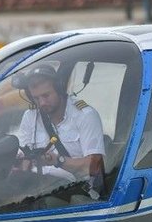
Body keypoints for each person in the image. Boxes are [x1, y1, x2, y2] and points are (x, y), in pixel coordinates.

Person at [15, 64, 105, 196]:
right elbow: (24, 160)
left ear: (60, 88)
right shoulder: (30, 116)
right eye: (36, 98)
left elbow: (94, 166)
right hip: (36, 188)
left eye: (46, 95)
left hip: (74, 190)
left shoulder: (85, 115)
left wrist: (58, 160)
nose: (42, 103)